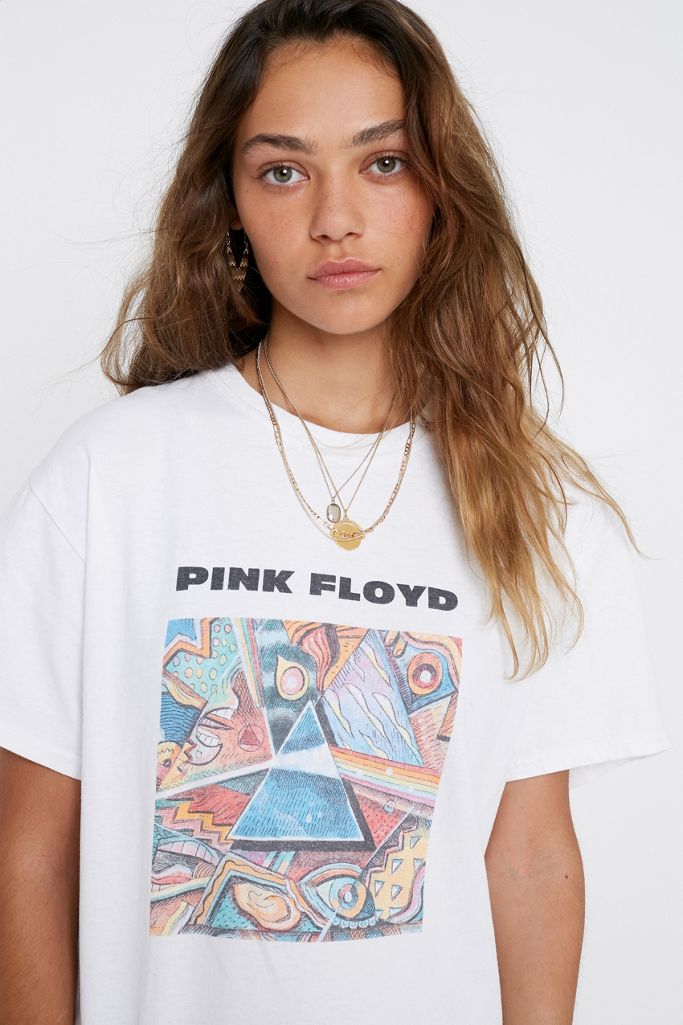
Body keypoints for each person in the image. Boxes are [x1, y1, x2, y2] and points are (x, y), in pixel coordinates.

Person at [0, 1, 671, 1023]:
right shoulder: (109, 476)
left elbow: (529, 857)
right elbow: (31, 849)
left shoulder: (539, 509)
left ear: (440, 191)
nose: (334, 218)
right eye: (282, 170)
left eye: (382, 162)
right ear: (228, 201)